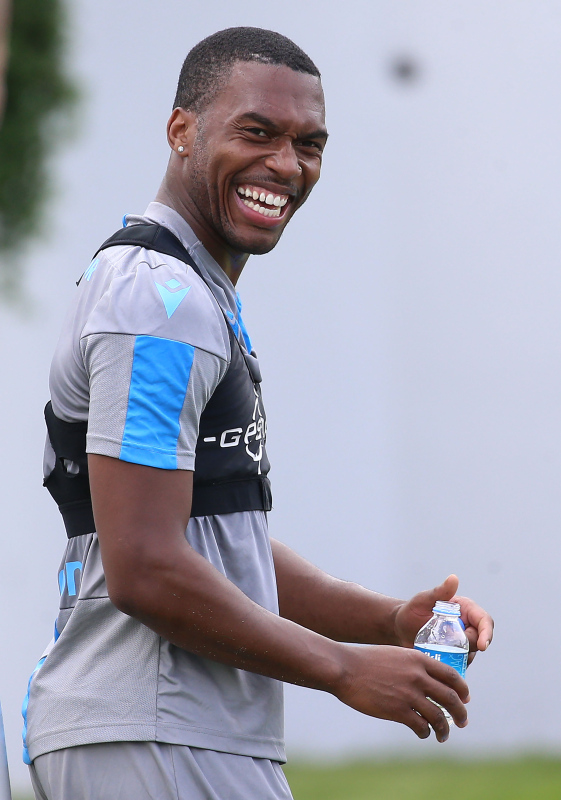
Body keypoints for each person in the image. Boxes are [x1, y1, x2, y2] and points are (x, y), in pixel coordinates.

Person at [24, 27, 493, 800]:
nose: (286, 164)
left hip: (161, 733)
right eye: (256, 132)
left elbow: (205, 542)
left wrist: (387, 621)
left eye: (309, 144)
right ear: (181, 130)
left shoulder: (187, 293)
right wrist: (341, 668)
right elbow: (145, 567)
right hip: (154, 731)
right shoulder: (160, 301)